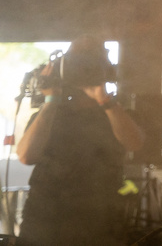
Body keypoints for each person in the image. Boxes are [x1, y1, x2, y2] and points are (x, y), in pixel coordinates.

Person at [16, 36, 145, 245]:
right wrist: (50, 102)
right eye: (79, 65)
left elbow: (134, 143)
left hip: (100, 223)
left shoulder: (116, 113)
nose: (85, 72)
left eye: (92, 65)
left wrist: (105, 101)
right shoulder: (49, 114)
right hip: (44, 223)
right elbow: (25, 155)